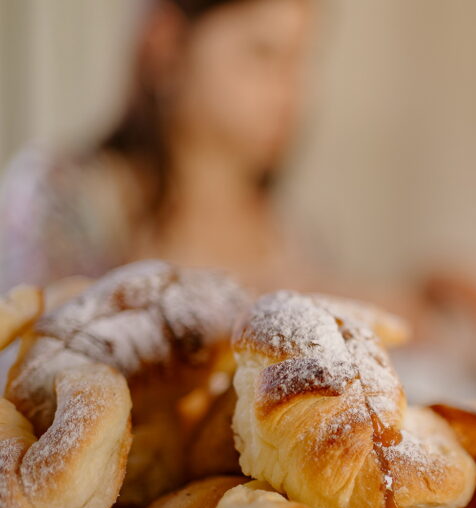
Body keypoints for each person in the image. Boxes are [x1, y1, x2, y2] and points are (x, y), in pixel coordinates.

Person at [0, 0, 315, 292]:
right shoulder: (63, 194)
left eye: (298, 59)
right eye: (262, 54)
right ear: (166, 43)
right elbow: (33, 326)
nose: (289, 91)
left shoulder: (290, 234)